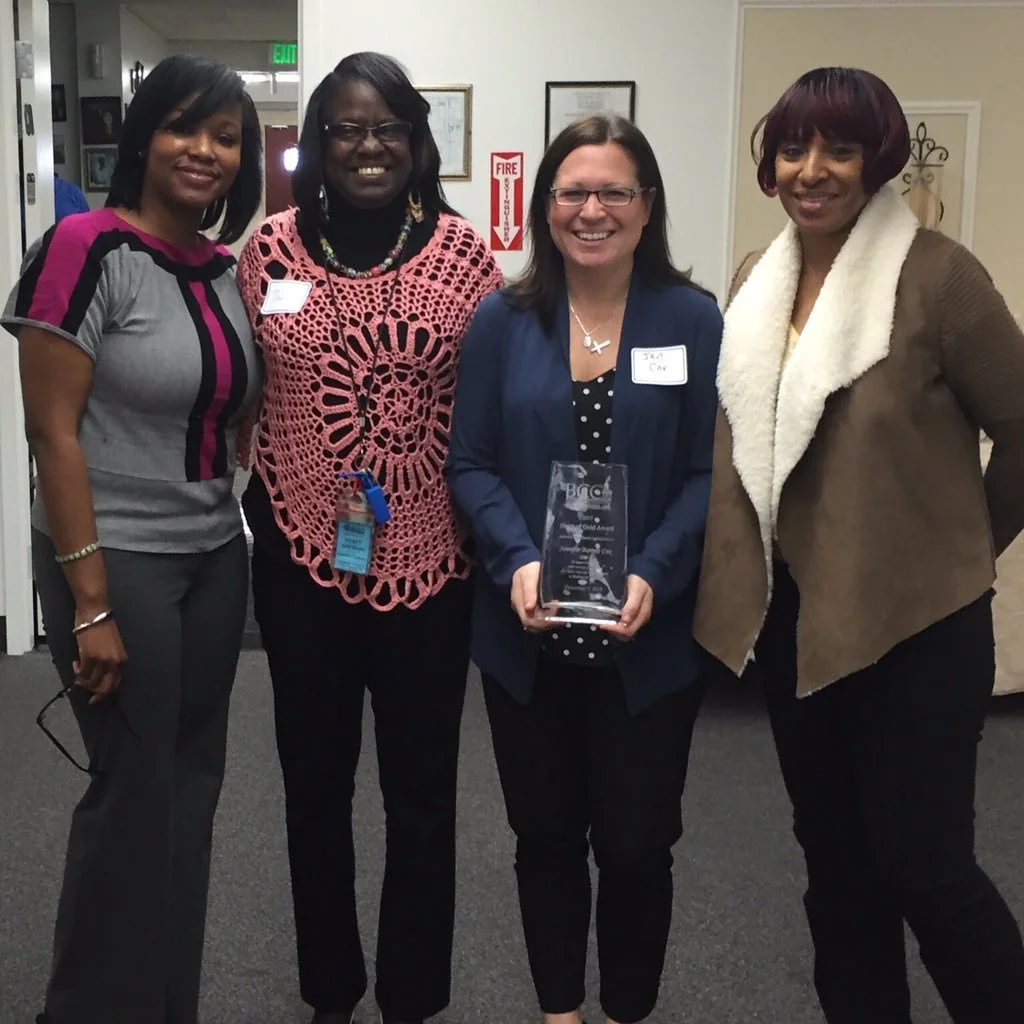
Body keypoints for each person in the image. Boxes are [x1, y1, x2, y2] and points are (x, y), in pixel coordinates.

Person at [693, 66, 1024, 1024]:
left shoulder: (940, 276)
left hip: (919, 628)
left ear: (877, 160)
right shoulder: (756, 280)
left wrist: (961, 550)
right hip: (797, 623)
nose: (813, 170)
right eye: (793, 148)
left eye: (839, 149)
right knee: (836, 870)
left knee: (928, 868)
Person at [236, 52, 502, 1024]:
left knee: (421, 792)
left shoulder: (463, 256)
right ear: (319, 142)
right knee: (314, 787)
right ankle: (330, 991)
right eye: (346, 129)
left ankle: (411, 997)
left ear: (416, 139)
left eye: (387, 126)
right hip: (301, 552)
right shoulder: (269, 252)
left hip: (430, 556)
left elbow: (496, 400)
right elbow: (237, 384)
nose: (367, 146)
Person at [3, 55, 263, 1024]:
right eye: (184, 127)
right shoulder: (84, 246)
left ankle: (165, 1004)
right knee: (132, 790)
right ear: (144, 135)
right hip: (116, 557)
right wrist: (90, 600)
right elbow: (52, 433)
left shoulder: (225, 271)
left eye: (226, 137)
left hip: (213, 553)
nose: (204, 151)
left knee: (191, 789)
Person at [446, 115, 722, 1024]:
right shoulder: (501, 320)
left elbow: (705, 473)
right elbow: (471, 463)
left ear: (648, 207)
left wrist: (654, 570)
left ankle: (627, 1009)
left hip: (650, 633)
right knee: (545, 838)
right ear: (545, 207)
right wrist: (517, 559)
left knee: (639, 846)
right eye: (573, 191)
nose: (592, 210)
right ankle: (560, 1011)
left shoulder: (691, 319)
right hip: (527, 636)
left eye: (614, 192)